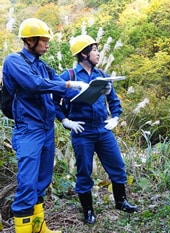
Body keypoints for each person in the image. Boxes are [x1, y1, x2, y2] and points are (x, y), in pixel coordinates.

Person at [2, 18, 88, 233]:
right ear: (30, 40)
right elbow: (34, 85)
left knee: (42, 180)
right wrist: (69, 83)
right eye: (44, 40)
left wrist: (90, 90)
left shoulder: (43, 66)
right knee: (27, 183)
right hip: (29, 130)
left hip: (47, 128)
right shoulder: (14, 61)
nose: (48, 44)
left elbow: (61, 90)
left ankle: (39, 229)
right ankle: (24, 230)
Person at [54, 35, 138, 224]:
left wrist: (115, 117)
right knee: (84, 171)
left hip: (103, 129)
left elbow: (114, 100)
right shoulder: (68, 76)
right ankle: (88, 211)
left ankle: (121, 201)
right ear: (84, 53)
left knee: (117, 165)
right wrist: (65, 121)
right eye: (94, 49)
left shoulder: (101, 74)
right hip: (82, 131)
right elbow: (53, 103)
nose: (98, 53)